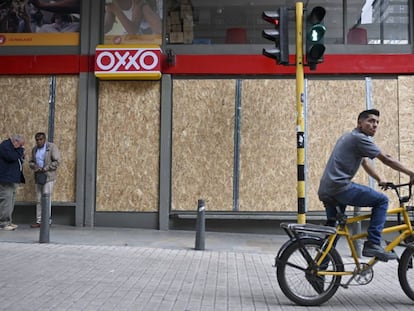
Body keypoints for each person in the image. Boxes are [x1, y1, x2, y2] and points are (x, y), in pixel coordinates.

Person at [318, 109, 414, 261]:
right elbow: (387, 159)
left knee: (334, 231)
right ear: (359, 123)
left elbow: (363, 161)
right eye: (370, 121)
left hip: (327, 189)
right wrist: (411, 173)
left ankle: (318, 269)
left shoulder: (349, 137)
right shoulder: (360, 138)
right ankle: (373, 244)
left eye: (377, 122)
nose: (374, 125)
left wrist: (379, 178)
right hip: (339, 187)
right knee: (381, 200)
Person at [29, 132, 60, 228]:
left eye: (41, 139)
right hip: (39, 176)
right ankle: (39, 220)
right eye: (37, 140)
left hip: (48, 176)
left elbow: (57, 161)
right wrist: (34, 166)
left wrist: (45, 168)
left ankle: (47, 220)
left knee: (46, 198)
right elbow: (31, 162)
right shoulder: (34, 149)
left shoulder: (51, 147)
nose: (39, 141)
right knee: (38, 199)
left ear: (45, 139)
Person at [0, 134, 26, 231]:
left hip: (12, 179)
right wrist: (20, 151)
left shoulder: (13, 148)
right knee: (6, 201)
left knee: (11, 201)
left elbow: (17, 159)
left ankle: (8, 221)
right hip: (5, 179)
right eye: (20, 145)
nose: (21, 147)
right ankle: (3, 223)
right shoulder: (5, 146)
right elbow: (11, 157)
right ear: (15, 141)